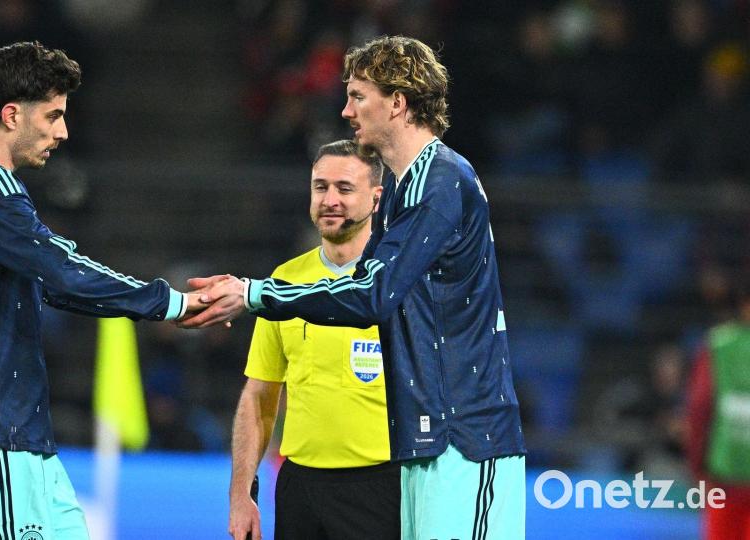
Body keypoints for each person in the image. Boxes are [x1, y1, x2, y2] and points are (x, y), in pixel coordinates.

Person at [183, 35, 526, 539]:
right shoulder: (405, 189)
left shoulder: (442, 180)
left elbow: (371, 292)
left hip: (468, 439)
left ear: (398, 102)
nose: (346, 110)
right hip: (426, 438)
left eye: (358, 96)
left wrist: (255, 295)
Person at [0, 41, 203, 540]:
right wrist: (169, 302)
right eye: (52, 116)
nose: (63, 131)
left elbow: (55, 283)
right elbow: (62, 270)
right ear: (11, 115)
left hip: (16, 429)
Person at [228, 140, 399, 540]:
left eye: (344, 188)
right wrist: (241, 493)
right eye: (320, 187)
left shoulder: (396, 281)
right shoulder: (284, 281)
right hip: (300, 486)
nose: (330, 199)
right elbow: (259, 396)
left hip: (383, 484)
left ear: (376, 197)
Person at [687, 285, 750, 540]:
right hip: (725, 479)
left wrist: (697, 468)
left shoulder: (718, 344)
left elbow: (699, 410)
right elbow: (699, 410)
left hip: (724, 474)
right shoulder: (717, 345)